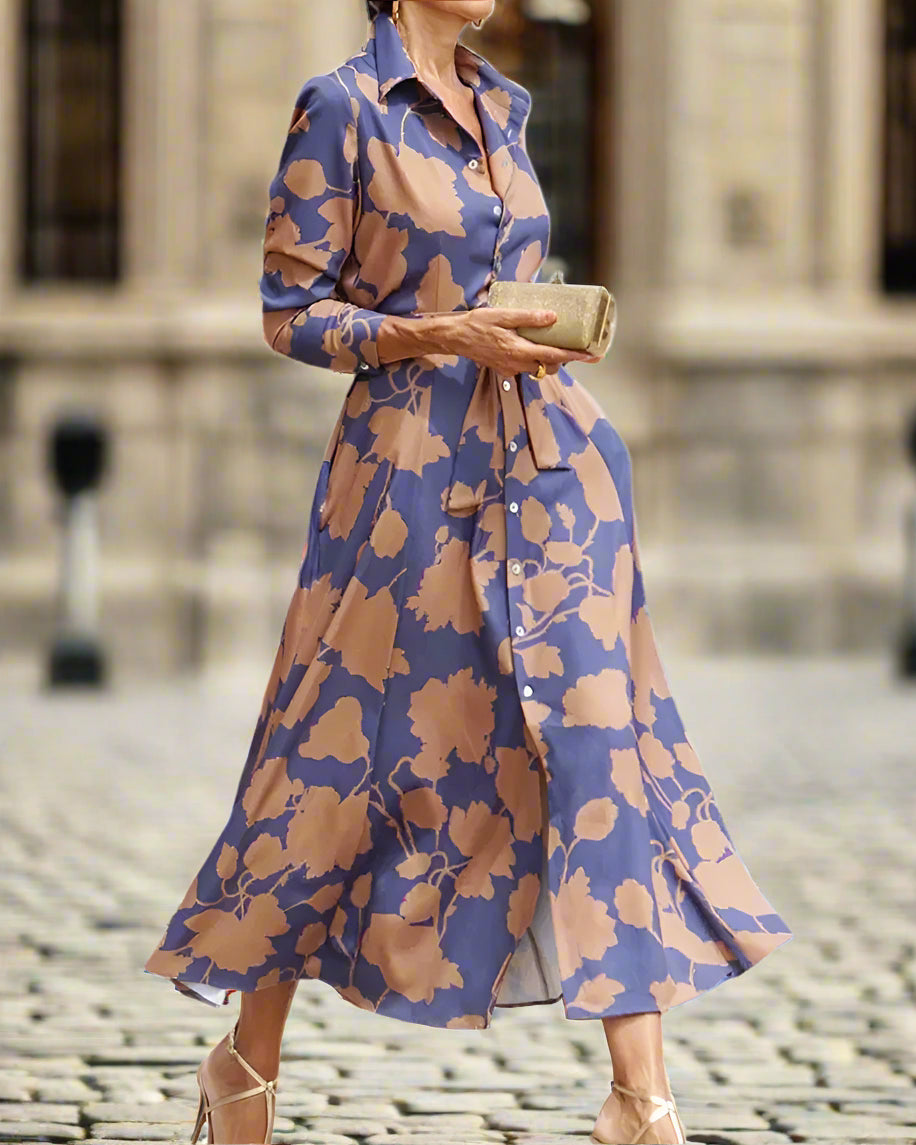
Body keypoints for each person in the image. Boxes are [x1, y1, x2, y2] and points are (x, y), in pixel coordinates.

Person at [144, 2, 794, 1142]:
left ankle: (639, 1099)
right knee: (340, 758)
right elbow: (290, 314)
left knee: (600, 732)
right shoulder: (344, 107)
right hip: (404, 482)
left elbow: (502, 271)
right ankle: (244, 1060)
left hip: (549, 468)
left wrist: (533, 334)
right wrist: (444, 335)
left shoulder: (502, 105)